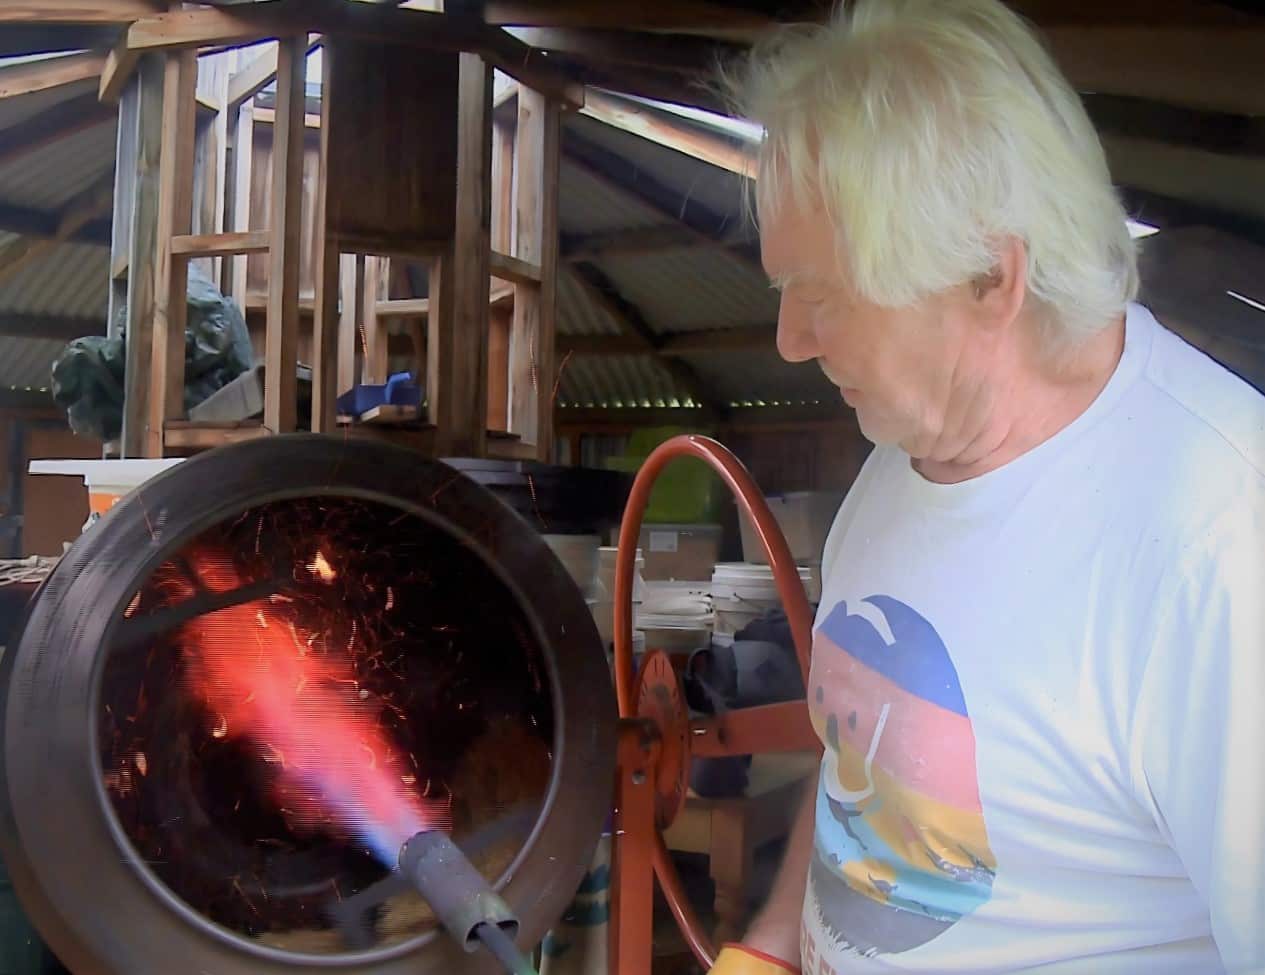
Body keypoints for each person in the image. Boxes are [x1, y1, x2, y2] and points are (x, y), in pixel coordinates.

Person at [708, 1, 1265, 972]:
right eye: (781, 291)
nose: (789, 342)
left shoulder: (1218, 545)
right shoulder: (901, 453)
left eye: (825, 295)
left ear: (987, 280)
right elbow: (863, 763)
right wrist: (767, 947)